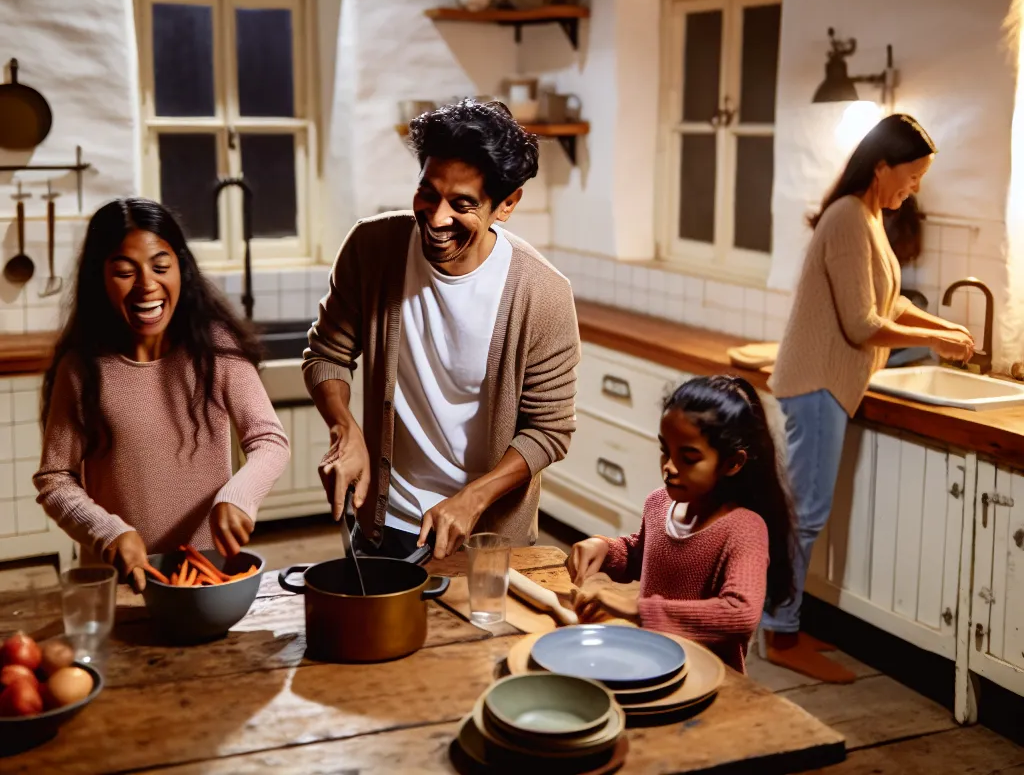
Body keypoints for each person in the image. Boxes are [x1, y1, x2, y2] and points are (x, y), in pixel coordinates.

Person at [304, 100, 580, 560]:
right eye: (428, 193)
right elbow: (327, 355)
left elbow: (548, 431)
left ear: (507, 204)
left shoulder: (543, 295)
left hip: (487, 537)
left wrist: (473, 498)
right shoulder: (372, 250)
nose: (436, 218)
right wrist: (344, 429)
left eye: (462, 204)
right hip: (384, 522)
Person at [763, 113, 974, 681]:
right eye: (913, 174)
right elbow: (862, 324)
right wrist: (935, 336)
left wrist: (942, 329)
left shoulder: (870, 216)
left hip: (827, 386)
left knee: (802, 514)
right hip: (816, 385)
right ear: (882, 166)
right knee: (804, 517)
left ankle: (780, 624)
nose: (917, 186)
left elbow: (891, 303)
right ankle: (779, 636)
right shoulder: (848, 218)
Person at [34, 198, 290, 591]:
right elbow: (56, 479)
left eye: (160, 267)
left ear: (181, 270)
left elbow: (269, 440)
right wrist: (107, 532)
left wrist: (238, 495)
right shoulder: (81, 367)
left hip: (207, 576)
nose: (147, 285)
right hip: (122, 584)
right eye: (124, 271)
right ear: (98, 278)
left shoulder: (216, 349)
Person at [566, 376, 793, 674]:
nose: (669, 467)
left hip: (709, 682)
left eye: (688, 457)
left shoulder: (744, 529)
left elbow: (740, 613)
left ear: (733, 463)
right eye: (665, 451)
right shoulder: (658, 504)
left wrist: (640, 610)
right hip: (648, 665)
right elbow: (643, 555)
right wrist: (606, 550)